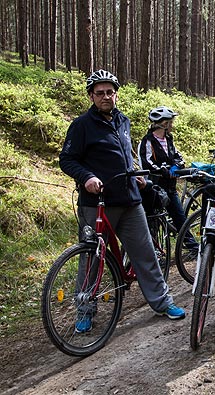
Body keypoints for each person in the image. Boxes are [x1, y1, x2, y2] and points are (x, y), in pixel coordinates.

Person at [59, 70, 185, 333]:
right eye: (100, 93)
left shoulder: (123, 121)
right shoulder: (82, 125)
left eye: (110, 92)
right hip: (97, 203)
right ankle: (85, 311)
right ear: (91, 96)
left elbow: (125, 154)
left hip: (130, 200)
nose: (106, 97)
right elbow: (68, 159)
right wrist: (87, 177)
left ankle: (162, 302)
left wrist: (136, 173)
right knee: (91, 258)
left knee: (145, 253)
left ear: (116, 94)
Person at [138, 106, 187, 232]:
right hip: (155, 189)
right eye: (171, 122)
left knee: (181, 219)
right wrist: (163, 171)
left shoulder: (169, 139)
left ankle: (192, 247)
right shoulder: (148, 141)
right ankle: (153, 249)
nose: (172, 125)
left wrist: (177, 166)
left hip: (170, 188)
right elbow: (147, 163)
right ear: (165, 124)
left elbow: (178, 157)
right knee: (153, 223)